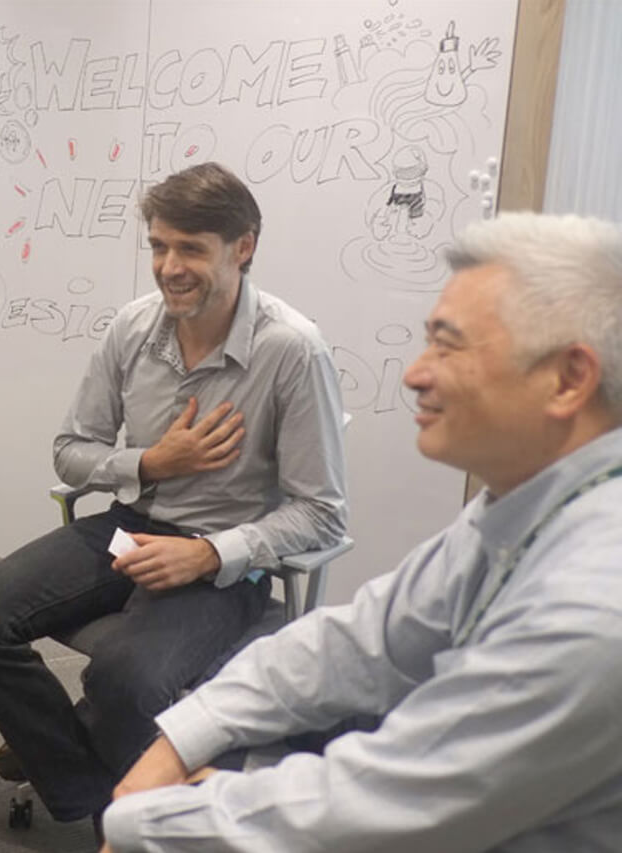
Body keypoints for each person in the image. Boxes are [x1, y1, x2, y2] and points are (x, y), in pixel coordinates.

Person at [104, 212, 622, 853]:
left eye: (448, 344)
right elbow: (364, 641)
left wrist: (148, 822)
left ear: (569, 378)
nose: (415, 374)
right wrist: (185, 739)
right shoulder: (521, 506)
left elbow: (400, 804)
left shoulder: (593, 608)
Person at [0, 162, 349, 825]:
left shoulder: (293, 351)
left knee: (122, 677)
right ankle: (89, 789)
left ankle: (79, 768)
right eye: (159, 245)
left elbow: (323, 513)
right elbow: (71, 451)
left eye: (191, 247)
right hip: (131, 522)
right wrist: (151, 462)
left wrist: (211, 555)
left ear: (242, 246)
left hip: (221, 563)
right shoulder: (133, 328)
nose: (169, 266)